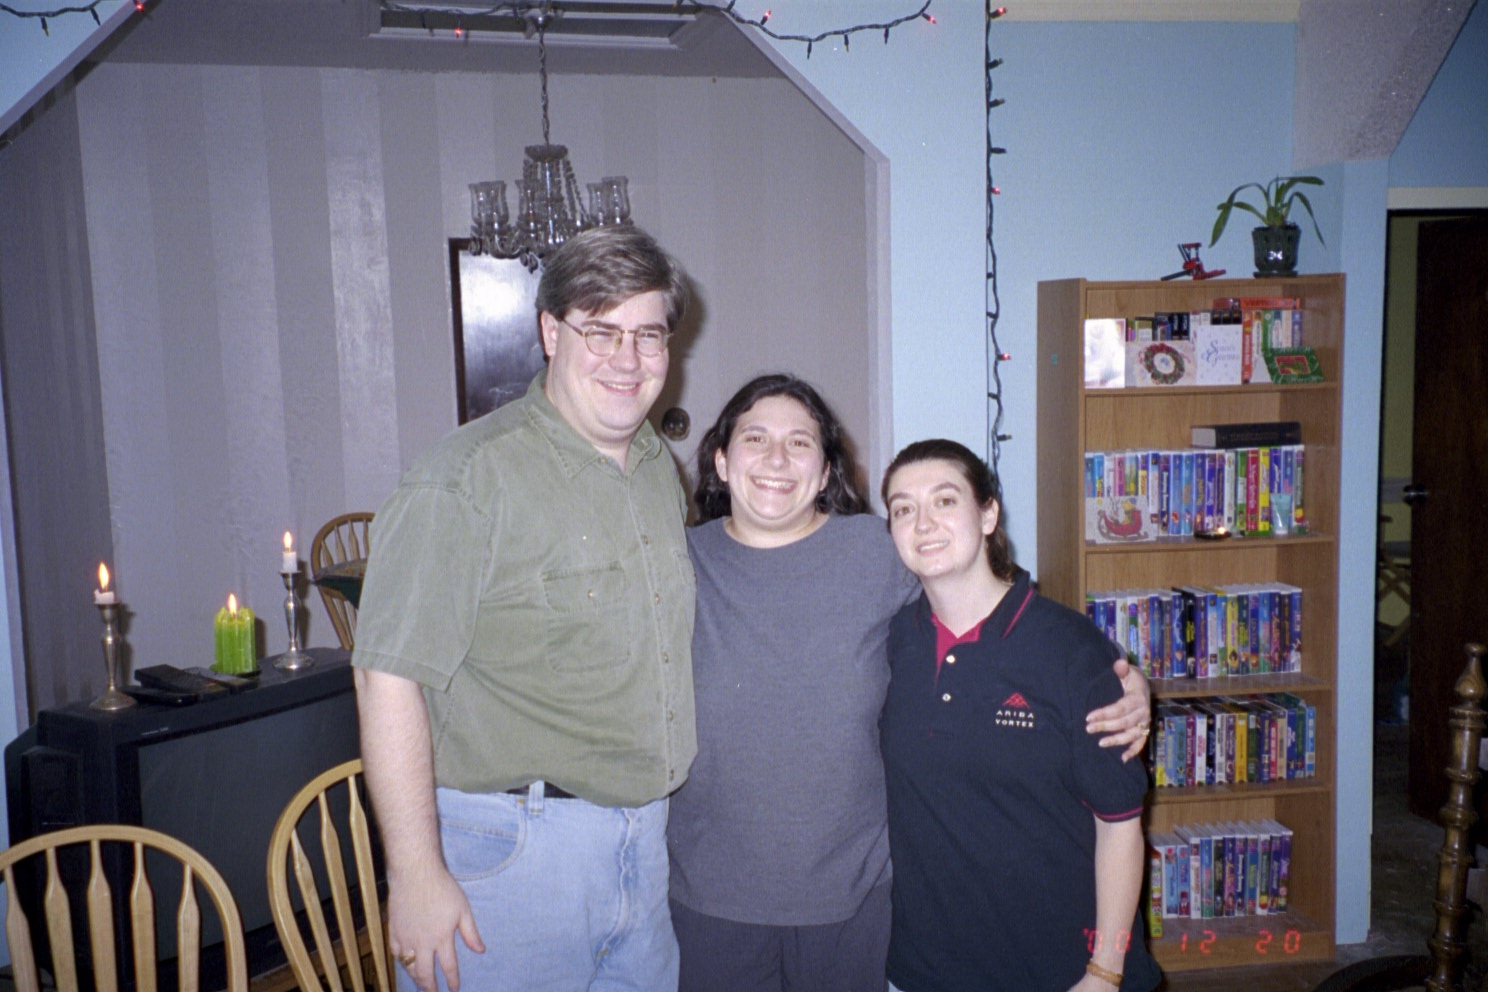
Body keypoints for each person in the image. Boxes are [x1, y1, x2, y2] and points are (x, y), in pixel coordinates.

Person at [667, 376, 1152, 992]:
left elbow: (995, 605)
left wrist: (1124, 678)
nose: (777, 459)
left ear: (825, 471)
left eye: (800, 442)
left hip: (853, 905)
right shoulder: (675, 562)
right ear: (720, 460)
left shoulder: (876, 554)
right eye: (755, 438)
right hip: (711, 899)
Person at [352, 226, 695, 992]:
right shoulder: (464, 479)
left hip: (644, 848)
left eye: (648, 335)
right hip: (509, 857)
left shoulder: (655, 468)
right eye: (600, 330)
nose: (628, 359)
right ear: (550, 332)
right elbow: (385, 679)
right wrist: (415, 873)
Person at [878, 439, 1161, 992]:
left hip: (1062, 971)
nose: (923, 523)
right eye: (903, 509)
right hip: (929, 968)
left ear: (988, 514)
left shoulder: (1070, 649)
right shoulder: (891, 643)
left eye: (945, 500)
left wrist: (1105, 971)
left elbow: (1120, 825)